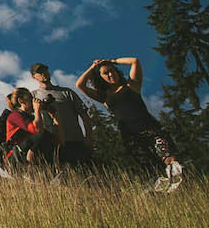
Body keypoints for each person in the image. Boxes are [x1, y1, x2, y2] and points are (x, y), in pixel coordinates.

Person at [76, 57, 184, 191]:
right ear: (100, 78)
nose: (110, 74)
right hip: (131, 136)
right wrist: (93, 67)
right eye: (106, 73)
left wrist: (112, 61)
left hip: (151, 128)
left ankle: (177, 181)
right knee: (148, 166)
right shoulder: (104, 96)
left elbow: (134, 61)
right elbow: (80, 85)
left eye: (112, 71)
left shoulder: (132, 85)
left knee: (168, 156)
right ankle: (160, 190)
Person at [30, 62, 94, 169]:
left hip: (74, 140)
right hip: (50, 143)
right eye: (39, 72)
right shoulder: (33, 96)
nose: (43, 74)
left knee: (84, 173)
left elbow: (85, 116)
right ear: (33, 76)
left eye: (45, 71)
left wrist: (88, 137)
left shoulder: (67, 92)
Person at [1, 88, 54, 172]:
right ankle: (30, 157)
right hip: (14, 157)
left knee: (49, 137)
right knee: (42, 134)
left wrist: (54, 116)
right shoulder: (14, 116)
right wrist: (37, 110)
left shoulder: (30, 117)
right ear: (21, 101)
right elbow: (36, 129)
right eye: (30, 98)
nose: (33, 100)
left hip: (23, 153)